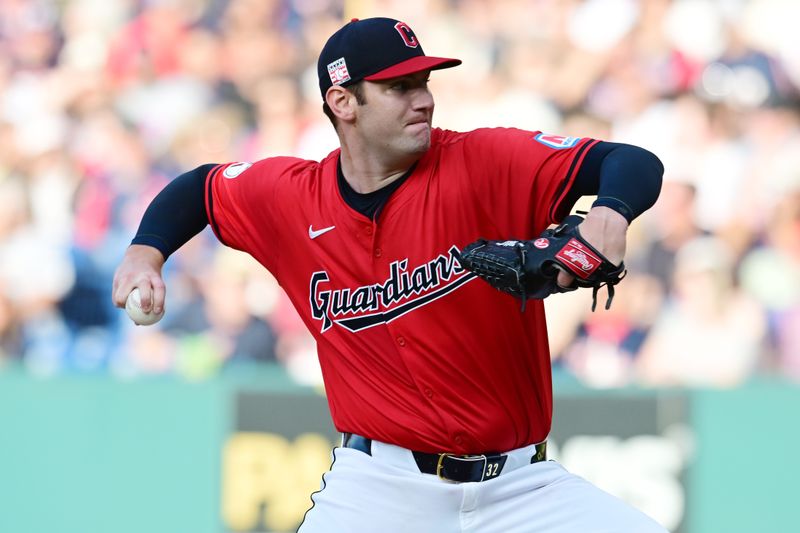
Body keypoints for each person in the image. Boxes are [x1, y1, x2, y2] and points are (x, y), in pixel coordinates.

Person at [112, 17, 666, 532]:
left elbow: (633, 162)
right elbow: (202, 189)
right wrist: (146, 251)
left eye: (424, 83)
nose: (423, 100)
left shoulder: (484, 161)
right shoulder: (291, 198)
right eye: (399, 88)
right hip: (378, 490)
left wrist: (609, 212)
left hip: (521, 489)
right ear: (342, 101)